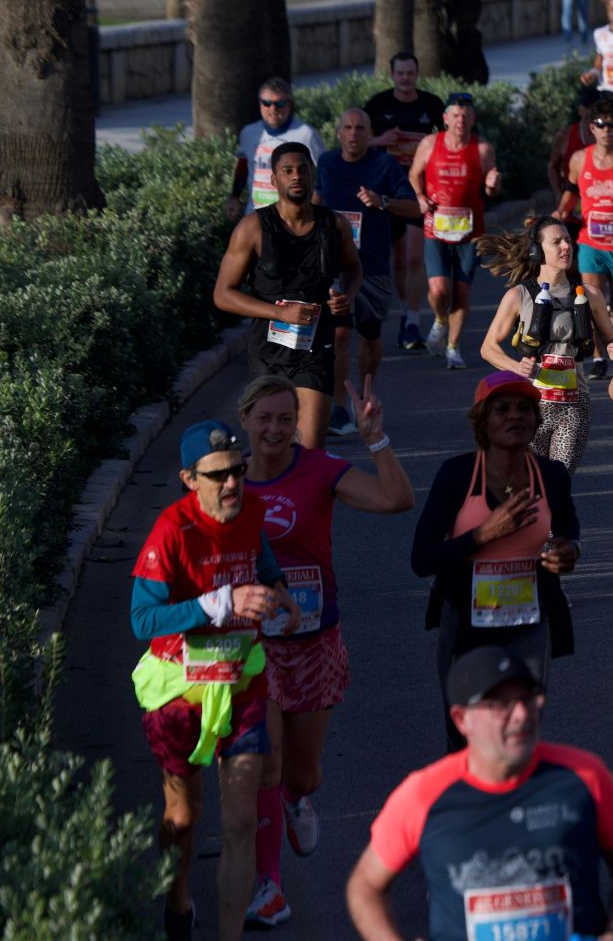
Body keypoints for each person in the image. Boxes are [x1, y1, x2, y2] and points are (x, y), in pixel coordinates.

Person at [237, 375, 413, 928]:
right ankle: (268, 887)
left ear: (297, 424)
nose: (274, 429)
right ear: (245, 420)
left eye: (285, 419)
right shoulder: (226, 480)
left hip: (314, 642)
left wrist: (375, 440)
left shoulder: (318, 470)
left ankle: (297, 800)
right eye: (263, 418)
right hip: (253, 645)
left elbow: (395, 500)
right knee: (264, 765)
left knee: (302, 773)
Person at [346, 646, 613, 941]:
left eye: (527, 699)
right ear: (461, 719)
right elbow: (365, 884)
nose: (520, 714)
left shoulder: (583, 776)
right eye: (499, 704)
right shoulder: (424, 794)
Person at [133, 416, 300, 941]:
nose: (232, 484)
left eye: (238, 471)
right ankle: (179, 897)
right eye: (218, 475)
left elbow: (264, 561)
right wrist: (218, 603)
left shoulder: (250, 510)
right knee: (183, 816)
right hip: (179, 689)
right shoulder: (170, 531)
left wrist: (281, 594)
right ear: (190, 480)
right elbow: (141, 621)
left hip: (240, 683)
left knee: (239, 821)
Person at [411, 372, 582, 749]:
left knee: (521, 732)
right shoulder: (457, 475)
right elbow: (421, 559)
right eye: (501, 409)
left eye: (524, 409)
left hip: (530, 620)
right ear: (482, 421)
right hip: (466, 621)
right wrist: (483, 535)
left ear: (537, 422)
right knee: (466, 735)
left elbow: (567, 525)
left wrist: (568, 551)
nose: (514, 416)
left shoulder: (550, 476)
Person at [214, 143, 361, 451]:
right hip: (267, 354)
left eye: (303, 170)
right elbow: (223, 295)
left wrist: (346, 296)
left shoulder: (334, 225)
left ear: (312, 175)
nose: (297, 177)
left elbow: (353, 270)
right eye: (288, 171)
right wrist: (278, 313)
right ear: (274, 180)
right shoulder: (252, 228)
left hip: (315, 351)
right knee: (271, 449)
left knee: (309, 452)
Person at [475, 217, 613, 470]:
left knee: (558, 479)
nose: (566, 246)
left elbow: (612, 339)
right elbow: (487, 348)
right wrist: (515, 367)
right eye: (557, 242)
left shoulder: (589, 294)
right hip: (528, 405)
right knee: (530, 481)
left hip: (574, 401)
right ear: (537, 251)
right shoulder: (518, 295)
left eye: (567, 240)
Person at [318, 107, 418, 437]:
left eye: (360, 128)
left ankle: (363, 397)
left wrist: (382, 201)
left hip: (373, 266)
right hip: (335, 266)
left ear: (369, 132)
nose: (353, 134)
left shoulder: (383, 165)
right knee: (340, 333)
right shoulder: (327, 163)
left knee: (371, 335)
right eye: (347, 127)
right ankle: (339, 408)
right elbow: (314, 201)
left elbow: (415, 207)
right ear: (338, 132)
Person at [409, 93, 502, 370]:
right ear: (445, 119)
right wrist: (419, 196)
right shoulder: (429, 144)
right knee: (439, 291)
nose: (461, 120)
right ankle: (440, 319)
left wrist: (493, 184)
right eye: (456, 115)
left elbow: (491, 191)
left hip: (469, 232)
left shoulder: (482, 148)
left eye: (466, 116)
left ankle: (452, 347)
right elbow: (414, 173)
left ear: (473, 120)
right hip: (435, 228)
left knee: (461, 292)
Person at [556, 95, 613, 378]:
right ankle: (597, 359)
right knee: (590, 301)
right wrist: (561, 212)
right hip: (590, 243)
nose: (607, 130)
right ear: (591, 128)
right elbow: (571, 190)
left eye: (612, 125)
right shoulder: (579, 158)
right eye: (601, 124)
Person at [363, 54, 445, 350]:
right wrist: (380, 141)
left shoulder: (431, 104)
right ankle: (403, 310)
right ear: (392, 74)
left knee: (413, 257)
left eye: (411, 73)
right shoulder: (377, 105)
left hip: (419, 191)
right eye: (401, 73)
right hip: (386, 191)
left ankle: (412, 321)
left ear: (418, 74)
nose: (406, 78)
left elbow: (447, 141)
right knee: (397, 259)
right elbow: (357, 142)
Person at [226, 77, 324, 223]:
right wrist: (234, 197)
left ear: (289, 104)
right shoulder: (248, 132)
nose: (273, 108)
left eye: (280, 103)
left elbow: (325, 171)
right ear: (259, 103)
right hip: (256, 216)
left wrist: (314, 205)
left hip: (293, 220)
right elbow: (243, 163)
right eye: (267, 103)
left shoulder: (306, 133)